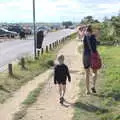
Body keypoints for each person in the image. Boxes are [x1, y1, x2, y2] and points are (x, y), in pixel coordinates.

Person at [83, 25, 98, 95]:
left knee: (87, 73)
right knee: (94, 71)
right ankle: (93, 86)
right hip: (94, 55)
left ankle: (87, 90)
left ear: (86, 30)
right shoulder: (94, 36)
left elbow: (78, 30)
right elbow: (98, 30)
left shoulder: (84, 36)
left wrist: (84, 27)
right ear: (92, 30)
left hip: (86, 55)